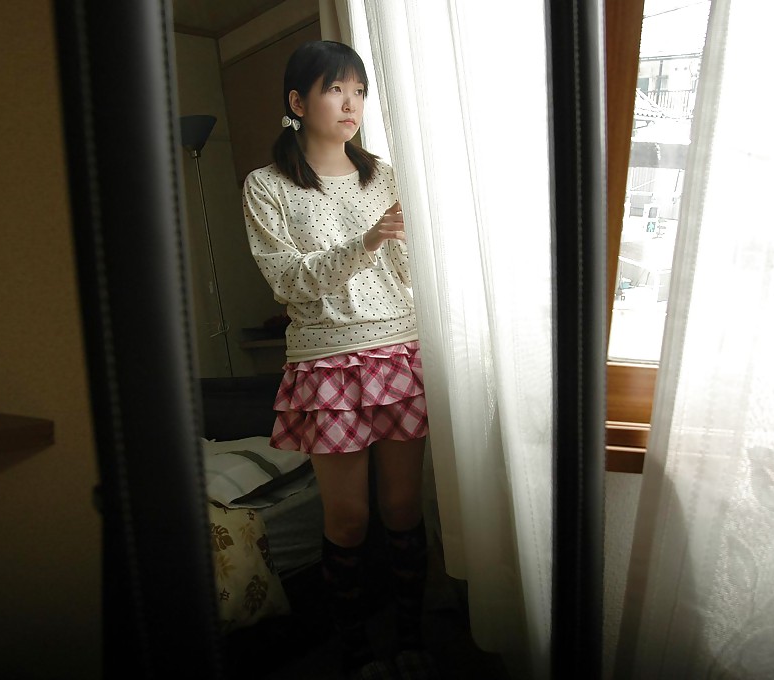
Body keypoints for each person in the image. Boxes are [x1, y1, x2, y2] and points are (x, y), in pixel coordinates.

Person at [241, 40, 437, 680]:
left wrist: (410, 240)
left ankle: (411, 638)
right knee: (348, 519)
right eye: (334, 90)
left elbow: (407, 272)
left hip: (398, 353)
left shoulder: (384, 176)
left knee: (404, 509)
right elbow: (290, 282)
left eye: (359, 91)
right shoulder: (267, 186)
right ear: (298, 102)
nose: (350, 104)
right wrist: (367, 239)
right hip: (326, 362)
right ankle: (354, 651)